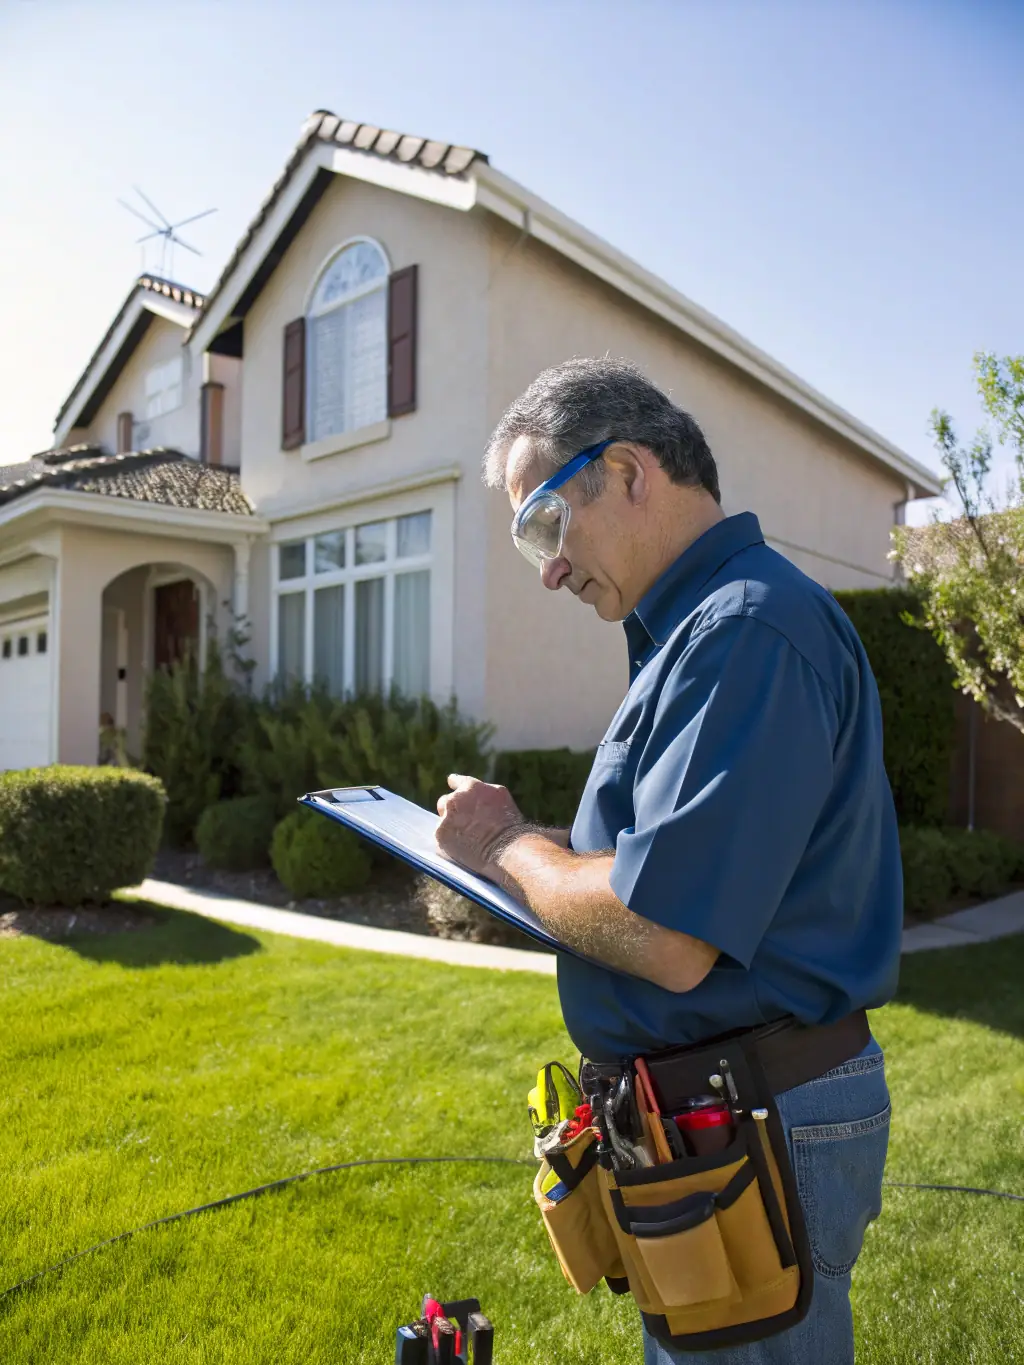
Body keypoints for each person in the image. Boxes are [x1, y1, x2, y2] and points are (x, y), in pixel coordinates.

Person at [434, 358, 900, 1365]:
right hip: (719, 1118)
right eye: (531, 548)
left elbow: (666, 932)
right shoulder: (702, 629)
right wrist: (541, 858)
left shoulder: (744, 630)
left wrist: (510, 847)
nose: (549, 569)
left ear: (632, 472)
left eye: (545, 527)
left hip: (755, 1119)